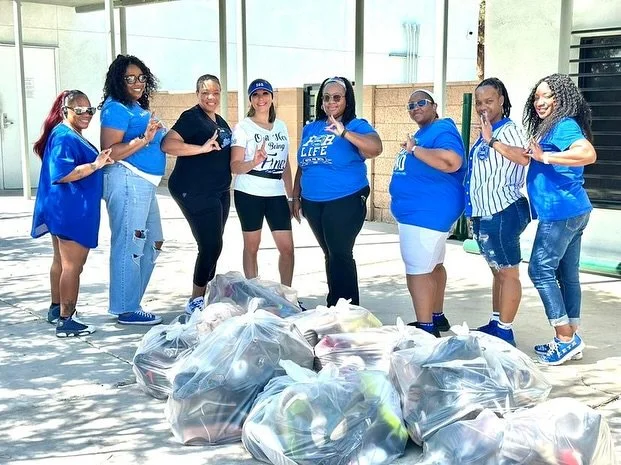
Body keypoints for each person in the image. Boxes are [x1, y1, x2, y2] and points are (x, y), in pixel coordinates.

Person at [523, 73, 597, 365]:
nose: (540, 102)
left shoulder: (564, 125)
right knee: (567, 273)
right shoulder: (550, 127)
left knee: (539, 270)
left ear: (561, 99)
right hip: (573, 209)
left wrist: (546, 159)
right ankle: (569, 337)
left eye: (547, 96)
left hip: (561, 211)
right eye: (537, 96)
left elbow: (587, 153)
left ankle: (565, 337)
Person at [292, 76, 382, 306]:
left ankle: (347, 309)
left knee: (340, 254)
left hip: (345, 199)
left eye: (337, 97)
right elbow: (304, 164)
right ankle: (335, 305)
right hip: (313, 203)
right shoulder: (311, 128)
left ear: (346, 100)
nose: (331, 102)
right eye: (326, 97)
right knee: (330, 254)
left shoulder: (356, 125)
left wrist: (344, 133)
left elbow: (375, 148)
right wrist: (295, 195)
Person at [31, 90, 114, 337]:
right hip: (71, 211)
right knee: (72, 266)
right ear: (66, 110)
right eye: (79, 110)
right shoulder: (64, 137)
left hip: (64, 209)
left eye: (89, 110)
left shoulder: (66, 133)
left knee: (61, 262)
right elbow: (63, 173)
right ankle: (67, 320)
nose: (86, 114)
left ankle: (57, 309)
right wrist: (96, 165)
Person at [389, 89, 465, 337]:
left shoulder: (442, 129)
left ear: (434, 106)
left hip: (424, 214)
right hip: (422, 214)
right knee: (433, 266)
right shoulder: (425, 134)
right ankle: (436, 316)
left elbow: (452, 161)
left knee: (417, 271)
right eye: (410, 105)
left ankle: (425, 330)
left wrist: (414, 150)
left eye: (421, 102)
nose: (415, 107)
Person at [100, 54, 166, 325]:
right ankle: (125, 308)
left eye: (141, 77)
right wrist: (143, 140)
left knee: (153, 242)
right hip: (127, 179)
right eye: (130, 78)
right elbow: (110, 152)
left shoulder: (136, 106)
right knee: (130, 242)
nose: (137, 82)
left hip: (144, 183)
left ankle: (131, 301)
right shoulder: (116, 108)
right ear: (119, 80)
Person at [465, 78, 531, 346]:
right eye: (479, 103)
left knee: (508, 272)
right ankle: (496, 321)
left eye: (488, 101)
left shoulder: (509, 130)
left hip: (503, 209)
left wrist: (492, 142)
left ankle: (505, 330)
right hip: (485, 212)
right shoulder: (488, 131)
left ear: (502, 100)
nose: (482, 107)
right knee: (497, 271)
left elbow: (524, 157)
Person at [161, 74, 232, 315]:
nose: (210, 97)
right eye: (205, 93)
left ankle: (205, 293)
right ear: (197, 94)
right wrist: (200, 148)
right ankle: (195, 300)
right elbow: (167, 144)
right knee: (210, 244)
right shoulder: (191, 117)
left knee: (215, 244)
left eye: (215, 93)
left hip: (219, 191)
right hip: (193, 190)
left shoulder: (219, 120)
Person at [230, 78, 295, 286]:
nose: (261, 99)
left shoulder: (281, 126)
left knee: (287, 248)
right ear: (250, 100)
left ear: (272, 97)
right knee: (252, 246)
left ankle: (287, 295)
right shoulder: (243, 127)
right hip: (249, 191)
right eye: (256, 95)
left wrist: (291, 196)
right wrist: (254, 161)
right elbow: (235, 165)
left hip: (276, 192)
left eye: (265, 94)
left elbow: (285, 164)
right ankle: (254, 291)